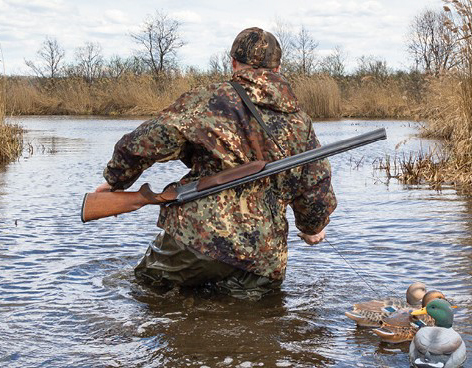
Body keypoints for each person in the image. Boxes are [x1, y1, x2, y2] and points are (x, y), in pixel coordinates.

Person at [93, 27, 335, 299]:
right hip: (262, 256)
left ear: (233, 63)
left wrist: (115, 180)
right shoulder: (300, 120)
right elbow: (316, 185)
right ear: (278, 67)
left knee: (147, 292)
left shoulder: (209, 99)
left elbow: (145, 140)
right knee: (254, 320)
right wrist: (312, 227)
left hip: (196, 239)